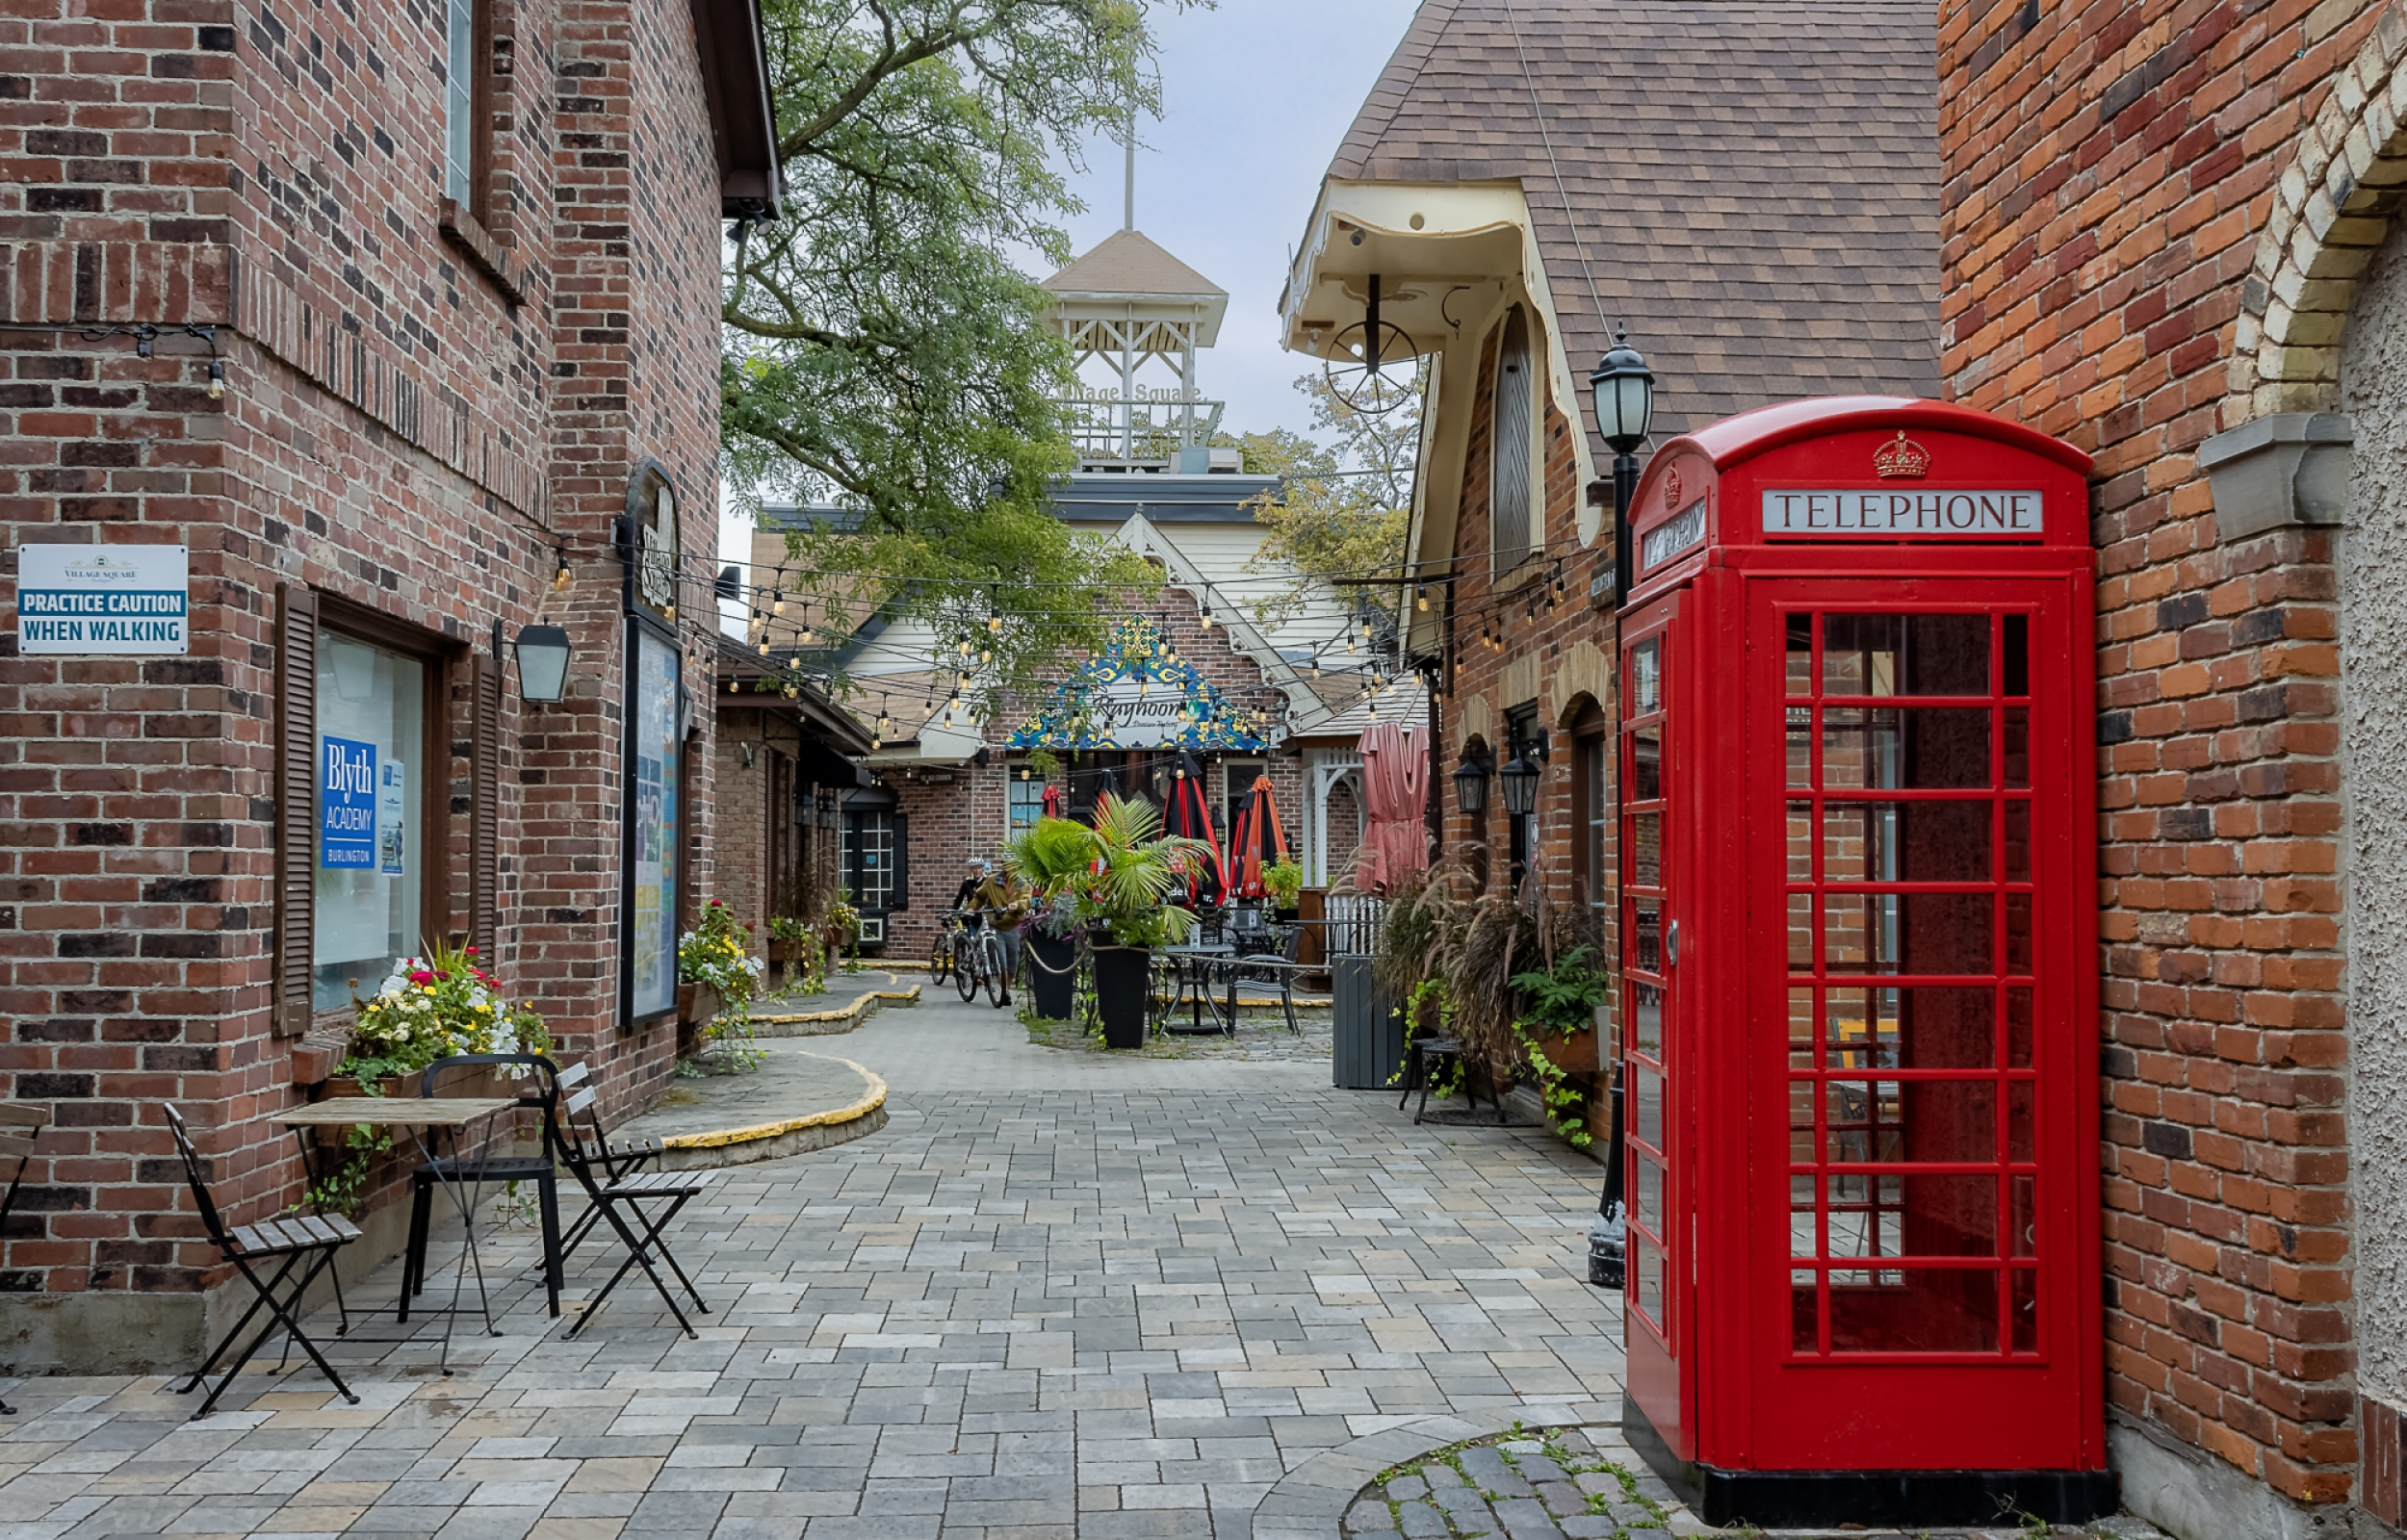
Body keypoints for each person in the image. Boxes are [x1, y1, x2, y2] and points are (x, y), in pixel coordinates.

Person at [967, 860, 1029, 982]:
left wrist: (1017, 904)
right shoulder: (991, 881)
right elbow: (979, 896)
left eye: (1012, 865)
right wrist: (971, 907)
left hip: (1013, 926)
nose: (1009, 868)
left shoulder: (1021, 883)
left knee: (1013, 965)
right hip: (996, 926)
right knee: (1001, 964)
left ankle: (1005, 992)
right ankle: (1004, 994)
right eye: (1006, 865)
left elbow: (1026, 899)